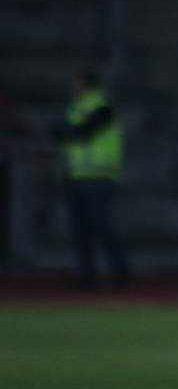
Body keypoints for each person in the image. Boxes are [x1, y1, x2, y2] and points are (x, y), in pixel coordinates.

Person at [51, 68, 129, 289]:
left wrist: (65, 131)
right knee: (79, 230)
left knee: (100, 225)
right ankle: (88, 275)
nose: (72, 87)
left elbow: (82, 132)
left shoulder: (103, 107)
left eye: (77, 82)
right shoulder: (75, 108)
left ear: (87, 84)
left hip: (100, 176)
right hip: (77, 176)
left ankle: (119, 270)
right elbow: (68, 135)